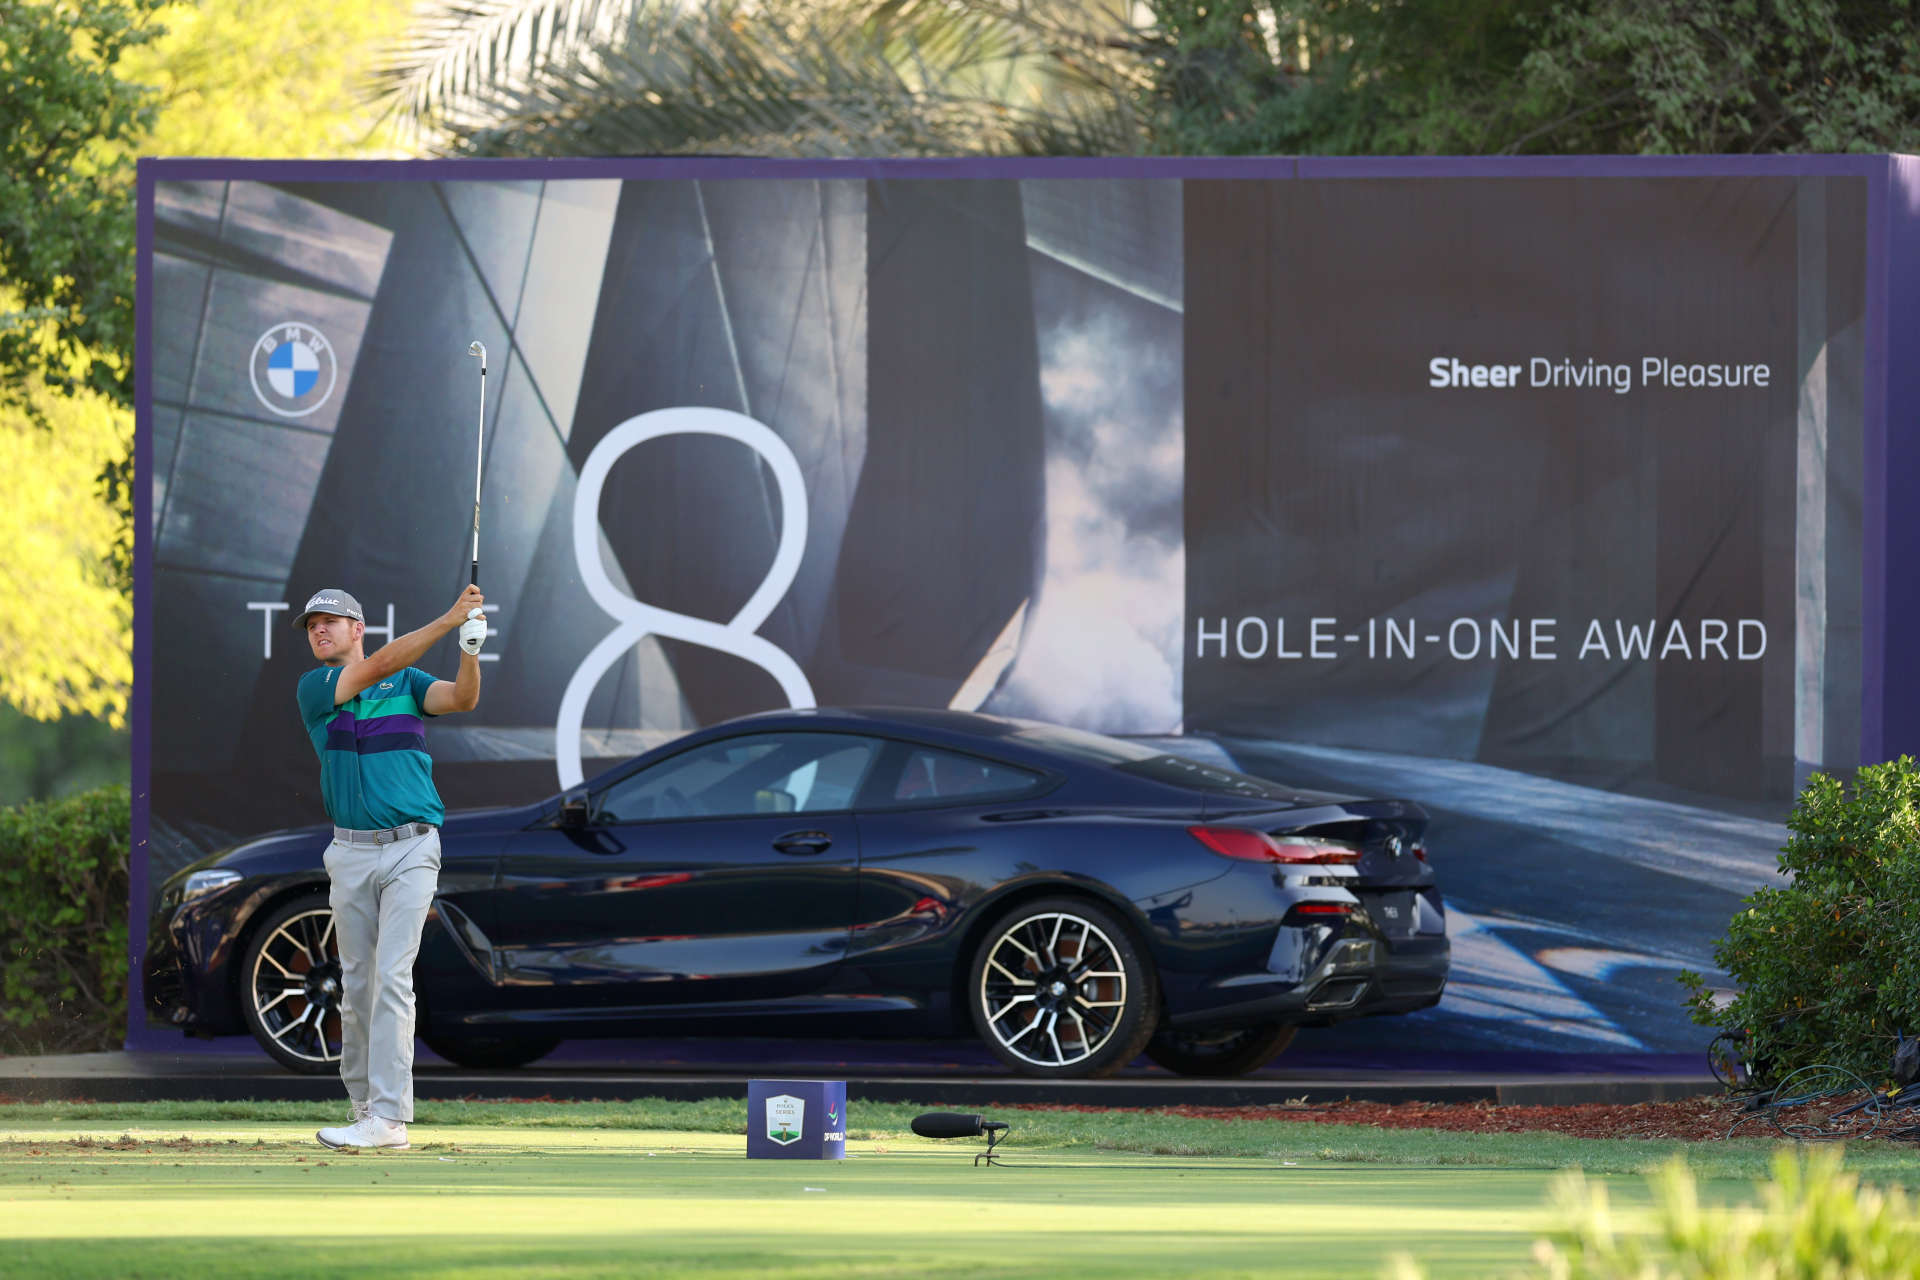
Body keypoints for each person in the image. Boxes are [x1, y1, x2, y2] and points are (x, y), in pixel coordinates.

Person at [292, 584, 489, 1151]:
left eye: (331, 622)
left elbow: (462, 700)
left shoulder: (408, 684)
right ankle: (363, 1107)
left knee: (392, 977)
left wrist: (469, 649)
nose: (319, 631)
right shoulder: (316, 688)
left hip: (412, 847)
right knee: (356, 986)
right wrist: (451, 618)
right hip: (350, 851)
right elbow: (380, 663)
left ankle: (389, 1117)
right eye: (312, 626)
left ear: (358, 627)